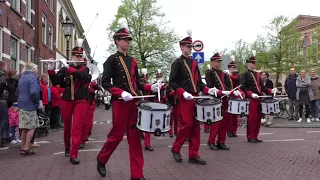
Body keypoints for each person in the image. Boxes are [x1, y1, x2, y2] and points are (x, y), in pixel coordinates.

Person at [96, 18, 162, 179]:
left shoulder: (133, 61)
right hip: (120, 103)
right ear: (117, 41)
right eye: (125, 39)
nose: (128, 42)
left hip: (134, 103)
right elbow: (105, 83)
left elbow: (137, 83)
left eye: (128, 39)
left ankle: (137, 174)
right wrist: (120, 93)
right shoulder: (111, 60)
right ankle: (101, 158)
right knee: (116, 135)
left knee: (134, 137)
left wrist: (151, 87)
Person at [169, 30, 216, 165]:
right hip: (185, 97)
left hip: (196, 98)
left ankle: (193, 154)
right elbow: (172, 82)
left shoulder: (194, 63)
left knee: (196, 126)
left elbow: (200, 84)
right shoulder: (177, 63)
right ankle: (175, 148)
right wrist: (182, 92)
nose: (189, 49)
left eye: (191, 47)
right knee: (187, 124)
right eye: (187, 46)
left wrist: (210, 90)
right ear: (181, 47)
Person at [47, 38, 90, 165]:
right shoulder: (65, 69)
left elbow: (81, 77)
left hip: (81, 100)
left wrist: (67, 67)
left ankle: (74, 154)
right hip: (66, 100)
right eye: (76, 56)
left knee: (77, 127)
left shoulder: (84, 69)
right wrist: (51, 69)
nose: (78, 58)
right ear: (72, 56)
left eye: (80, 56)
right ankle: (67, 147)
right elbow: (55, 82)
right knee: (67, 127)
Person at [240, 51, 277, 143]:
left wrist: (270, 90)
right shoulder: (245, 74)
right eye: (252, 63)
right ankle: (250, 136)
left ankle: (255, 136)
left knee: (258, 119)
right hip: (251, 99)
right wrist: (250, 94)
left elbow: (262, 87)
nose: (254, 64)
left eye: (255, 63)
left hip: (259, 99)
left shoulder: (257, 74)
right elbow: (242, 87)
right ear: (248, 63)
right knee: (252, 119)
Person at [205, 52, 234, 150]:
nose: (219, 63)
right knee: (216, 122)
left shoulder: (223, 73)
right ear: (212, 62)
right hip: (215, 100)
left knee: (224, 122)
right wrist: (222, 92)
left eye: (220, 61)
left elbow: (228, 86)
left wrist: (229, 91)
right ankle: (211, 141)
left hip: (224, 99)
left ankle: (221, 141)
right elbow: (209, 87)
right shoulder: (209, 72)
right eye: (217, 61)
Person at [17, 62, 41, 155]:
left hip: (22, 104)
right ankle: (27, 147)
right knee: (31, 127)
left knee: (24, 128)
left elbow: (17, 91)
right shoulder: (32, 77)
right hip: (30, 105)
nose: (37, 71)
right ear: (33, 69)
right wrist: (36, 102)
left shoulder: (22, 77)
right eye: (36, 69)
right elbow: (34, 92)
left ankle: (22, 147)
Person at [225, 59, 241, 137]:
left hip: (235, 95)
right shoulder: (226, 75)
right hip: (228, 95)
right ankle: (228, 130)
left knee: (235, 115)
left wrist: (231, 75)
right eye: (232, 68)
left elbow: (238, 80)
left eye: (234, 68)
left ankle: (234, 131)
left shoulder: (236, 75)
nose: (234, 69)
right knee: (229, 115)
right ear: (229, 68)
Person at [0, 61, 9, 150]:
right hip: (1, 100)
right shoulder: (2, 74)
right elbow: (2, 83)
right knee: (3, 121)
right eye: (6, 66)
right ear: (3, 67)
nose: (7, 68)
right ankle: (0, 142)